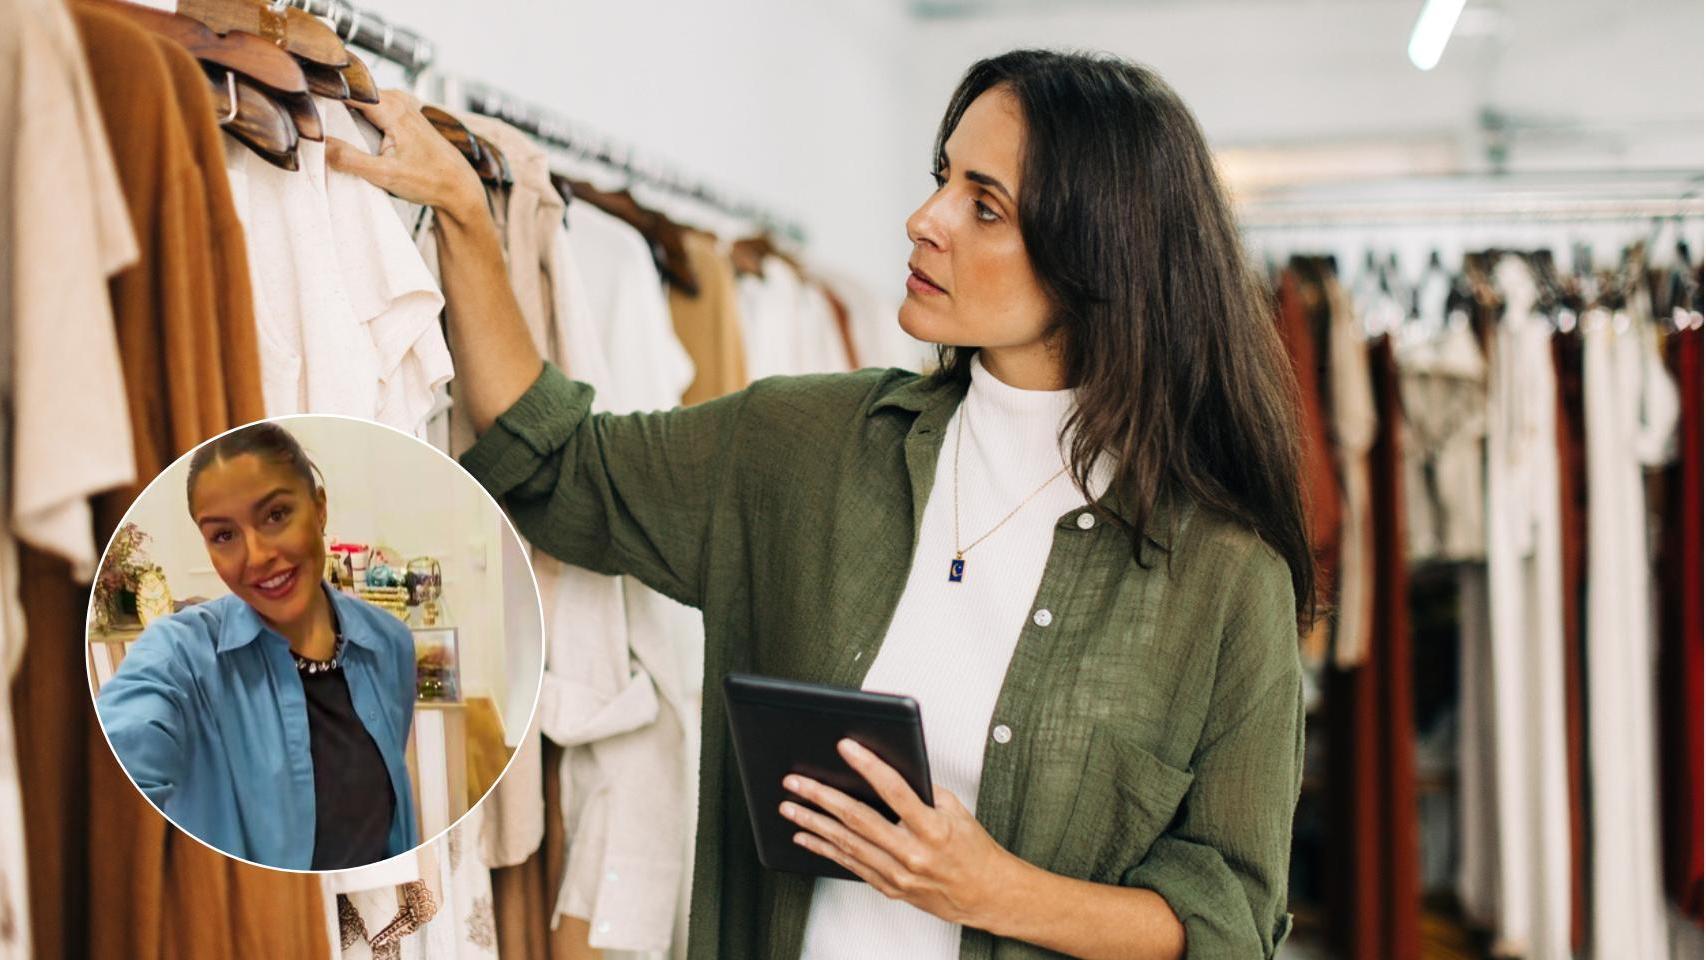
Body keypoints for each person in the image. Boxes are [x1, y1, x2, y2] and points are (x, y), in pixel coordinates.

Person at [330, 48, 1312, 960]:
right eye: (941, 177)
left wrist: (991, 890)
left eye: (984, 204)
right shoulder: (806, 449)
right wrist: (465, 215)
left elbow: (1228, 914)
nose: (923, 218)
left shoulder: (1223, 582)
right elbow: (553, 466)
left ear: (1100, 256)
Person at [96, 422, 419, 871]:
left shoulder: (389, 644)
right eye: (224, 536)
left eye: (276, 515)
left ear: (319, 509)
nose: (257, 555)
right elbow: (106, 778)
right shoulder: (181, 655)